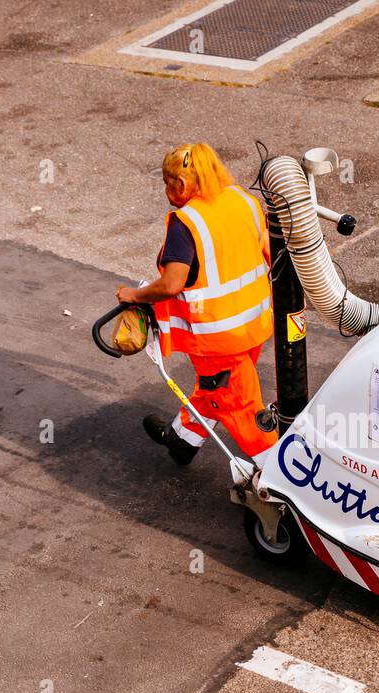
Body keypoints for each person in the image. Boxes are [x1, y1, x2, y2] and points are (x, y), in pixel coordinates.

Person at [116, 143, 277, 466]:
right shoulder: (244, 202)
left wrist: (134, 296)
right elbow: (267, 255)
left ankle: (280, 476)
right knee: (217, 391)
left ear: (182, 184)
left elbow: (173, 283)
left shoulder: (186, 223)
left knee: (240, 406)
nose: (166, 190)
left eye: (167, 183)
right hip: (254, 325)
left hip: (217, 337)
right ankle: (182, 439)